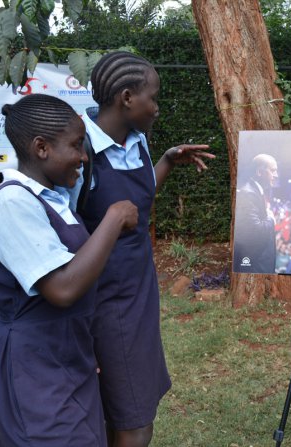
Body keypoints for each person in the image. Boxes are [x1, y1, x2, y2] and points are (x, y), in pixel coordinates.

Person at [0, 94, 138, 446]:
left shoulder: (55, 198)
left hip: (67, 355)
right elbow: (62, 288)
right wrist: (112, 219)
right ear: (41, 148)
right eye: (76, 145)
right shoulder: (13, 203)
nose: (83, 156)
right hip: (31, 366)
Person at [72, 51, 214, 447]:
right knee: (134, 422)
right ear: (126, 97)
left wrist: (167, 160)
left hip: (138, 293)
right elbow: (62, 230)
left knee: (127, 404)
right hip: (105, 304)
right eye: (153, 97)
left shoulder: (137, 141)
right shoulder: (78, 151)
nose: (157, 107)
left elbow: (136, 203)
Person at [233, 153, 279, 273]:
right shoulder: (248, 193)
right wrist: (271, 219)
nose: (276, 175)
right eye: (273, 171)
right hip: (256, 266)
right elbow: (255, 230)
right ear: (259, 172)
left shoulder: (256, 191)